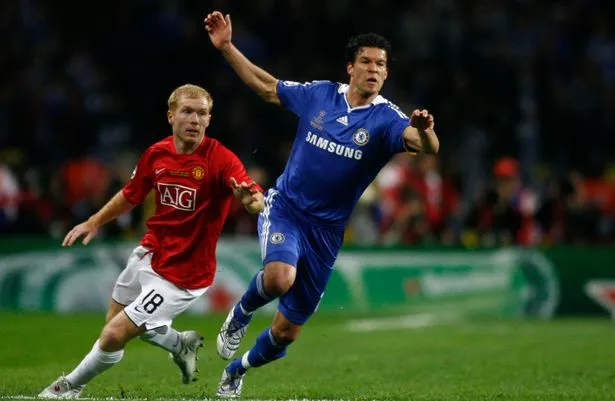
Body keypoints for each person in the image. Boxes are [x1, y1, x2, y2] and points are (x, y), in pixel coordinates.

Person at [204, 11, 440, 398]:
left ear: (386, 74)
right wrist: (227, 47)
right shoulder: (319, 94)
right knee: (280, 277)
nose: (373, 69)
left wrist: (427, 131)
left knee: (285, 333)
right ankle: (241, 313)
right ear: (350, 66)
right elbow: (266, 87)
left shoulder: (386, 119)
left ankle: (236, 369)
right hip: (287, 208)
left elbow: (423, 143)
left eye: (380, 64)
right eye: (365, 61)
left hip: (327, 232)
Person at [38, 84, 265, 399]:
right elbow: (131, 195)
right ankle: (179, 344)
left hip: (184, 274)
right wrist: (94, 221)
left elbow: (256, 198)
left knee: (113, 334)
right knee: (116, 323)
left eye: (202, 113)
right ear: (171, 115)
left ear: (209, 120)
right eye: (187, 111)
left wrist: (250, 199)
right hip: (149, 252)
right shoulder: (156, 154)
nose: (195, 119)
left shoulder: (221, 159)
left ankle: (69, 387)